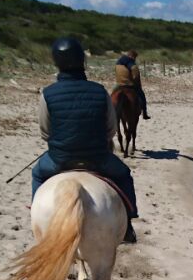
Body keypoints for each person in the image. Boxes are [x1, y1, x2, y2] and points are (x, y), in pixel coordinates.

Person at [33, 36, 139, 242]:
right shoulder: (99, 91)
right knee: (124, 174)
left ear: (57, 62)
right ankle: (129, 223)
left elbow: (45, 131)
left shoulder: (48, 94)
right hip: (97, 157)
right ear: (82, 60)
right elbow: (111, 130)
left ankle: (36, 223)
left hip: (59, 158)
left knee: (37, 174)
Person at [116, 47, 150, 119]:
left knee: (112, 94)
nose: (135, 59)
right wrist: (135, 81)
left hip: (119, 84)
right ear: (132, 56)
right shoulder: (131, 62)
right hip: (129, 85)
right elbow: (135, 74)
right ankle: (145, 113)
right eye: (135, 57)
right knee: (142, 96)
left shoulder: (118, 61)